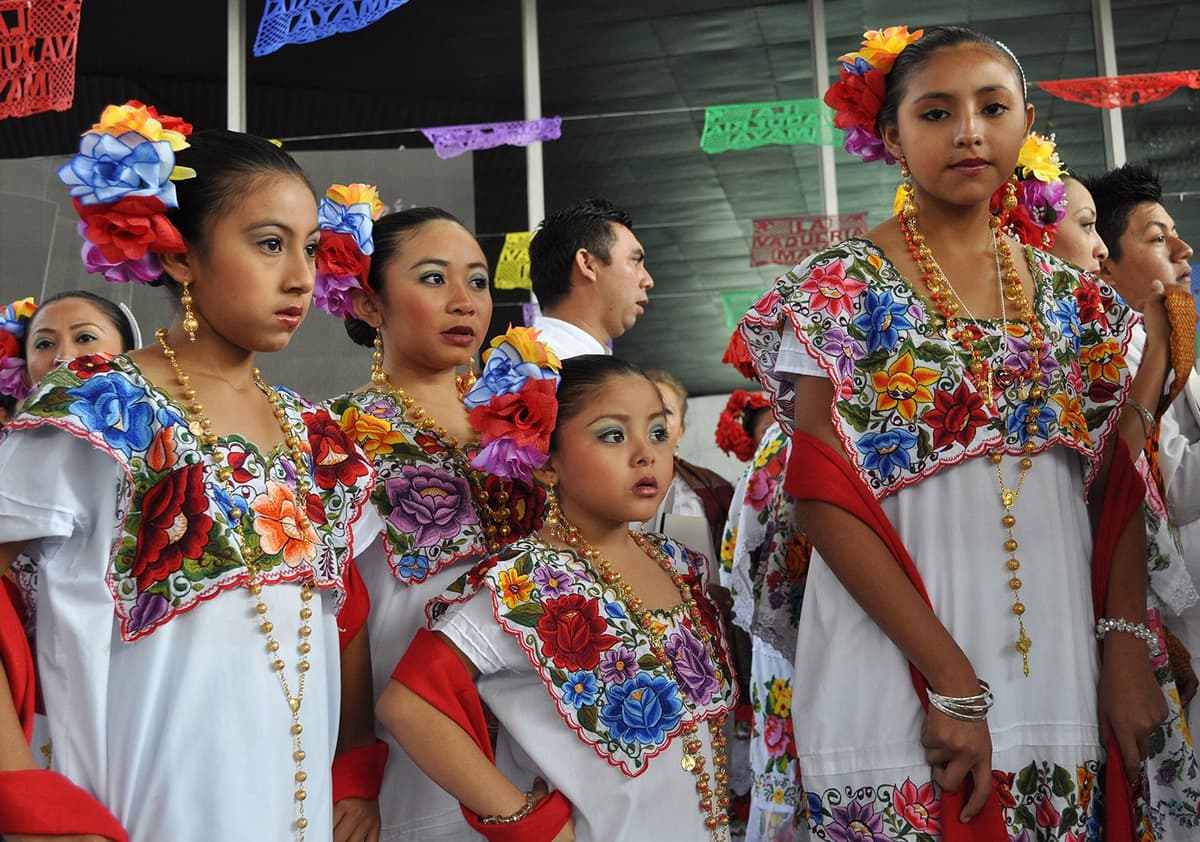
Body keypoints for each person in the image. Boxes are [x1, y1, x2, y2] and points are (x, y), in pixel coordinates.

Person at [740, 25, 1166, 840]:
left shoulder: (1082, 305)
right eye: (936, 113)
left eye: (991, 108)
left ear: (1025, 124)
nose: (969, 130)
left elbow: (1115, 489)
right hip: (894, 660)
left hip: (1057, 662)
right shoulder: (838, 291)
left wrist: (1123, 646)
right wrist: (950, 682)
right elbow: (820, 496)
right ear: (892, 137)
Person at [0, 101, 382, 842]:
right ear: (180, 254)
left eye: (311, 248)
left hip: (295, 804)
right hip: (140, 804)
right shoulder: (97, 407)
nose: (302, 278)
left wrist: (353, 771)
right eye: (270, 244)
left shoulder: (316, 436)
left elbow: (346, 622)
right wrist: (23, 792)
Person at [378, 347, 737, 841]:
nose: (645, 453)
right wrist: (525, 823)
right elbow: (409, 706)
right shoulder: (525, 580)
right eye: (613, 435)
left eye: (658, 432)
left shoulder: (678, 564)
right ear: (547, 464)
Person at [317, 190, 544, 840]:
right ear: (368, 302)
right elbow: (343, 608)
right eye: (433, 278)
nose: (464, 299)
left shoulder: (522, 418)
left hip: (540, 714)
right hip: (413, 728)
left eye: (476, 279)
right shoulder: (335, 434)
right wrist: (355, 761)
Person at [528, 198, 653, 359]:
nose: (648, 281)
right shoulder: (548, 368)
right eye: (635, 261)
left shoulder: (526, 363)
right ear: (587, 264)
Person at [644, 369, 735, 560]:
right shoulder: (603, 483)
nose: (656, 417)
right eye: (646, 407)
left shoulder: (715, 490)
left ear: (681, 432)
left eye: (666, 411)